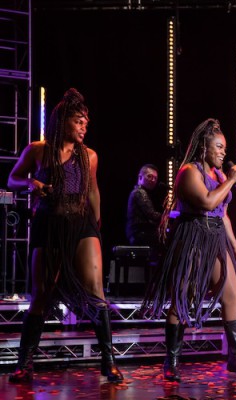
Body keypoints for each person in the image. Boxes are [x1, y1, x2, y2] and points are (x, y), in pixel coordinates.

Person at [7, 88, 123, 383]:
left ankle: (108, 362)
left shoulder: (90, 156)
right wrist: (32, 182)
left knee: (97, 293)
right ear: (63, 121)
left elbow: (93, 189)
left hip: (82, 223)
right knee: (41, 296)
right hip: (49, 224)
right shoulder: (38, 150)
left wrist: (97, 226)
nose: (85, 126)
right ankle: (25, 364)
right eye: (79, 121)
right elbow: (12, 178)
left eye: (87, 122)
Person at [142, 118, 236, 381]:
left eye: (225, 147)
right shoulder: (189, 172)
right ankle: (172, 361)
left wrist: (235, 246)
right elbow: (206, 201)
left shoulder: (220, 176)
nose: (224, 152)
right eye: (219, 147)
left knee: (232, 296)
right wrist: (233, 180)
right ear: (204, 148)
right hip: (193, 236)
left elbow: (222, 213)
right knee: (182, 299)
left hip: (216, 236)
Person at [126, 164, 162, 249]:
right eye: (150, 176)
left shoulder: (141, 192)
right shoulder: (139, 192)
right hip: (140, 234)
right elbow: (151, 215)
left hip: (140, 233)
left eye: (155, 178)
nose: (153, 180)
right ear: (140, 177)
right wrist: (168, 216)